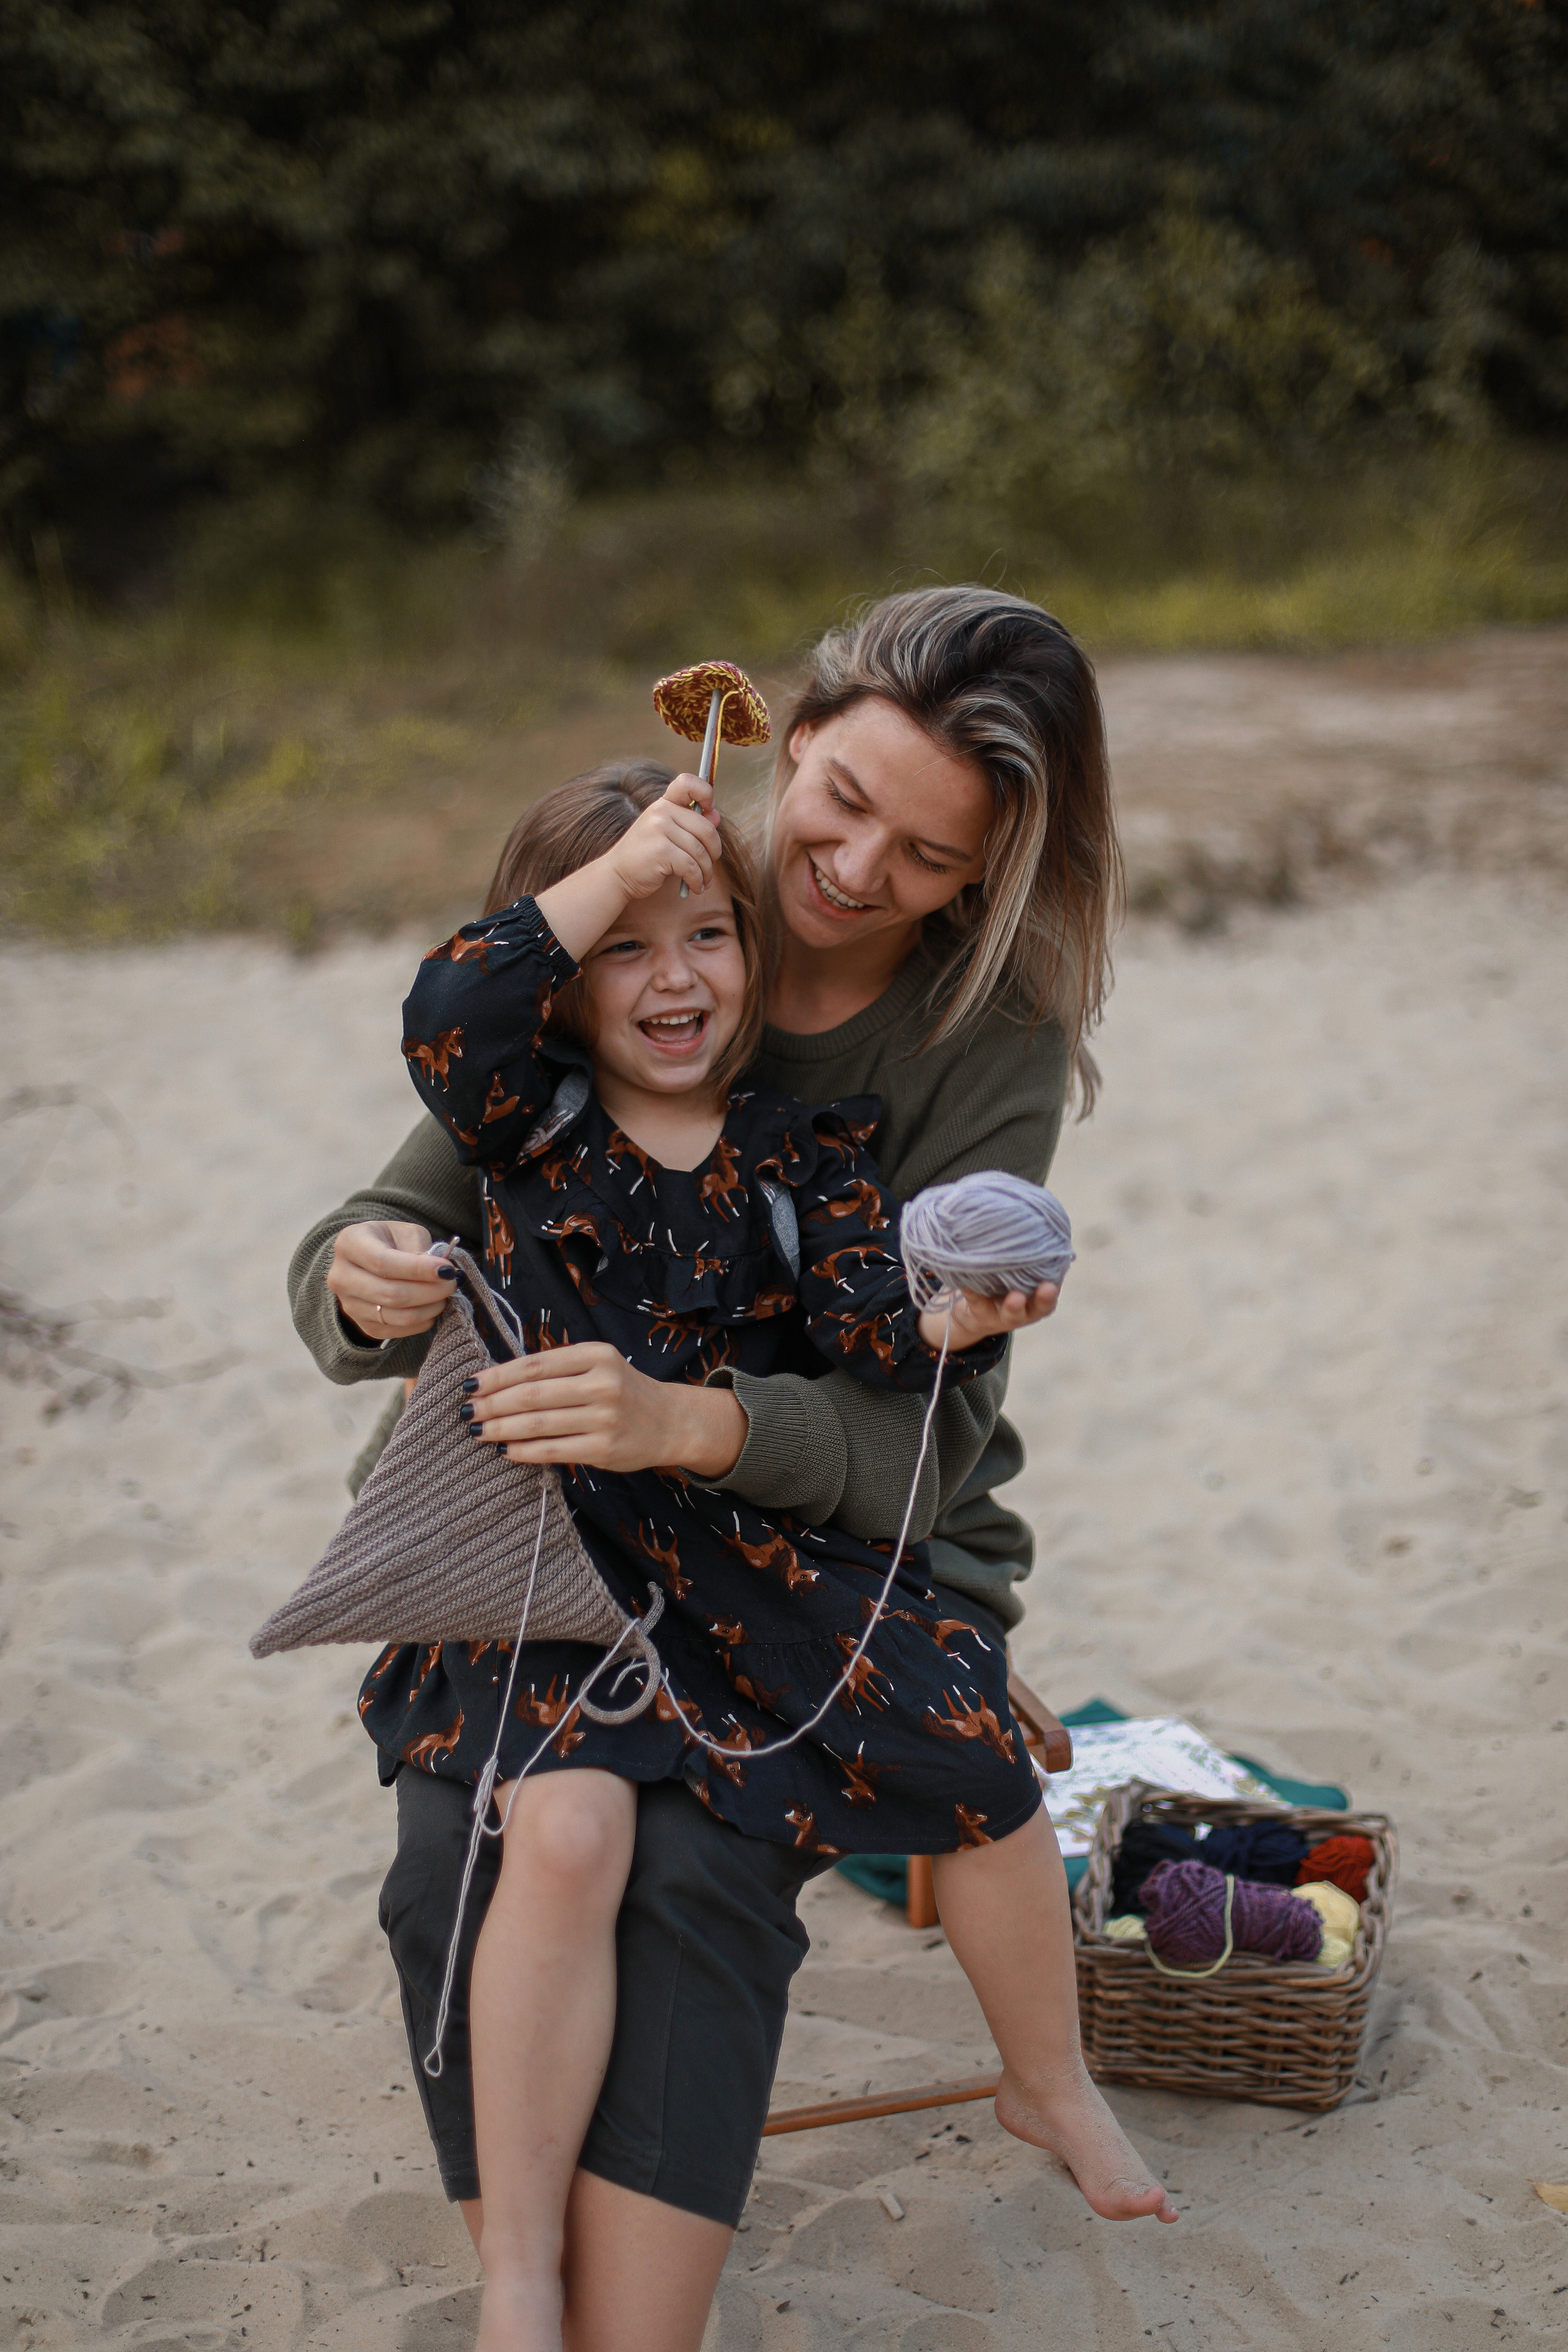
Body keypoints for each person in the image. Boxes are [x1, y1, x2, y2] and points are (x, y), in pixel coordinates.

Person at [288, 587, 1166, 2351]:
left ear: (987, 874)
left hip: (826, 1540)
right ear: (790, 737)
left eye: (927, 859)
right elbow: (414, 1180)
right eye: (837, 803)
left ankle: (649, 2297)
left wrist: (924, 1333)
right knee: (478, 1842)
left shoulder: (928, 1072)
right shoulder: (636, 901)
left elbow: (899, 1394)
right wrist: (358, 1276)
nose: (850, 871)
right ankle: (525, 2271)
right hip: (537, 1539)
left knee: (697, 1874)